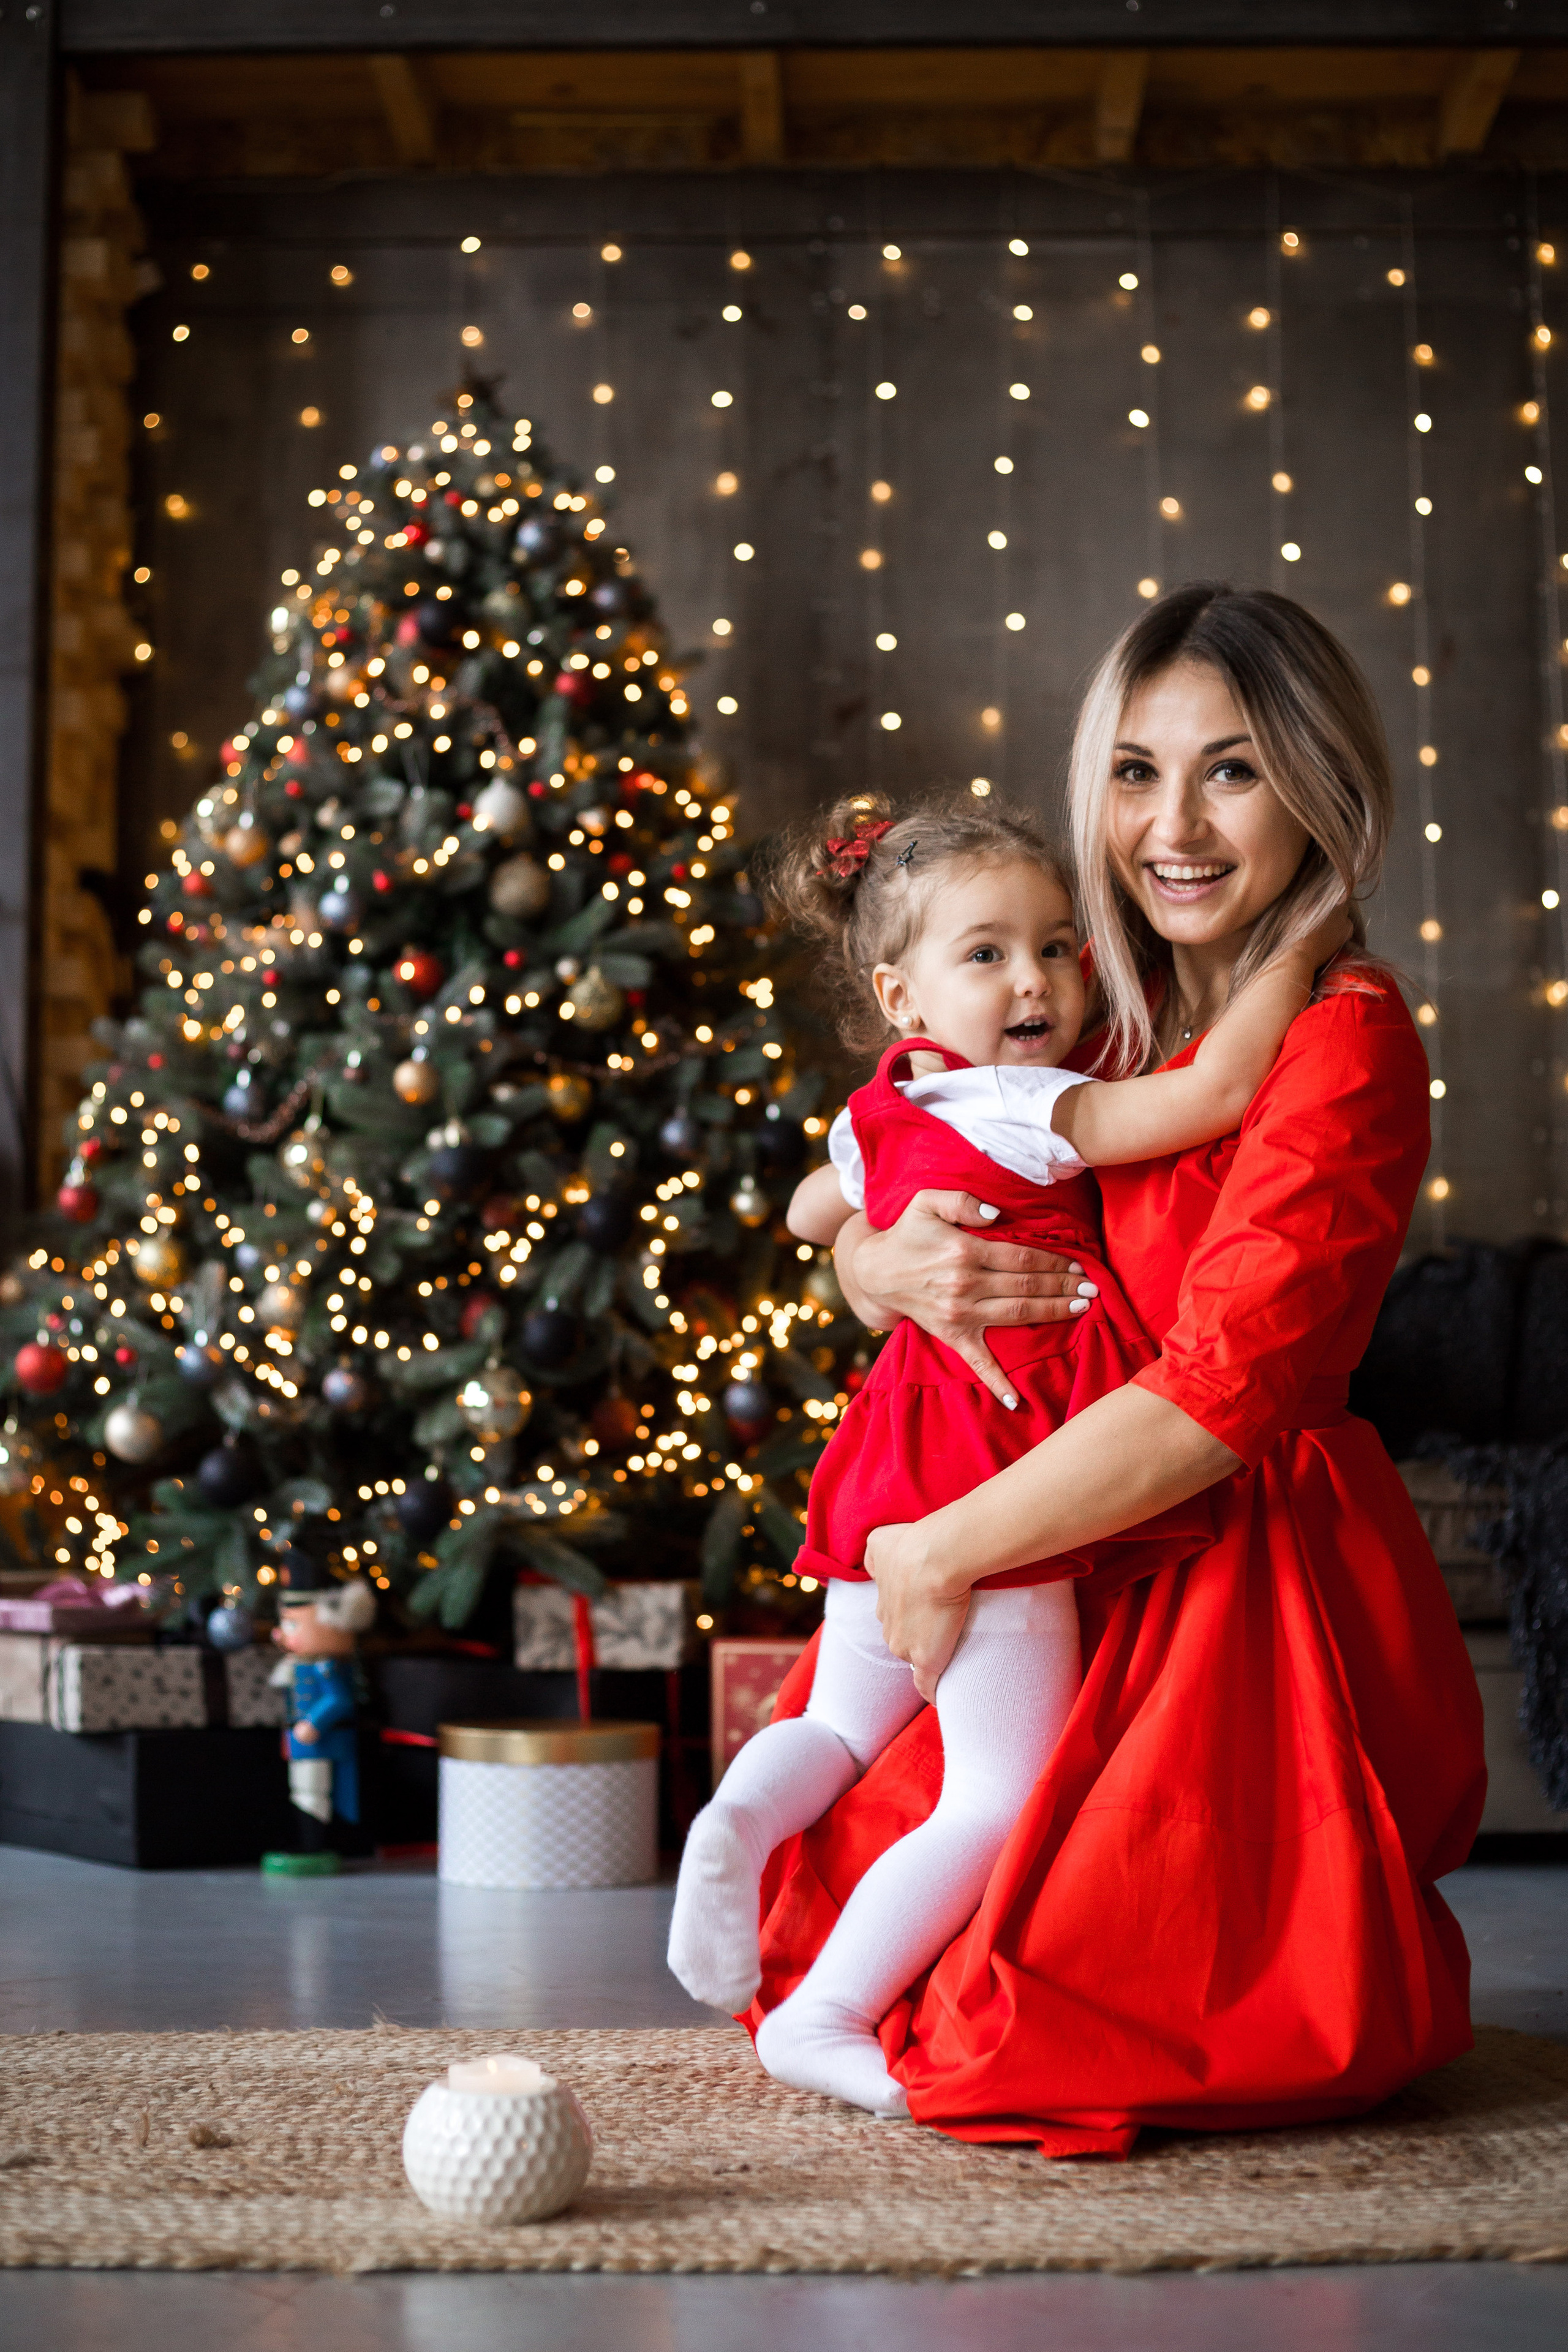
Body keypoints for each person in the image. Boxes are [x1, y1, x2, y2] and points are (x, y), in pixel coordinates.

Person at [742, 582, 1487, 2157]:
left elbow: (1225, 1389)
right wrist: (869, 1260)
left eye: (1232, 771)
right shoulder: (1094, 1016)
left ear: (1316, 788)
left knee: (1036, 2026)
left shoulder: (1341, 1038)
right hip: (1056, 1544)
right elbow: (913, 1158)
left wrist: (940, 1548)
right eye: (1137, 773)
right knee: (872, 1952)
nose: (1174, 828)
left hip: (1228, 1573)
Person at [668, 788, 1344, 2117]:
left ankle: (733, 1822)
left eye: (1053, 946)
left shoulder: (889, 1103)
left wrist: (863, 1235)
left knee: (837, 1725)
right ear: (900, 993)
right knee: (997, 1794)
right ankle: (825, 2014)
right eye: (986, 953)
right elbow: (1211, 1093)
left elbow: (808, 1203)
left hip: (883, 1471)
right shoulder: (1023, 1101)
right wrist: (1303, 950)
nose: (1033, 980)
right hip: (995, 1472)